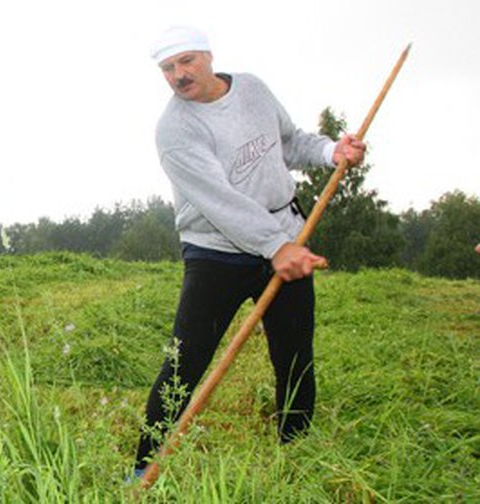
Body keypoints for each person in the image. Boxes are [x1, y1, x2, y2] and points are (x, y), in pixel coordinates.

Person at [132, 26, 366, 475]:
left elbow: (289, 142)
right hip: (215, 252)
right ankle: (144, 466)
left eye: (186, 61)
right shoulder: (175, 130)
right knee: (185, 362)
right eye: (167, 68)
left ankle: (295, 456)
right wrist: (275, 246)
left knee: (295, 356)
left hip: (285, 235)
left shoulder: (253, 90)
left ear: (208, 56)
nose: (179, 75)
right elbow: (220, 202)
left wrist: (330, 151)